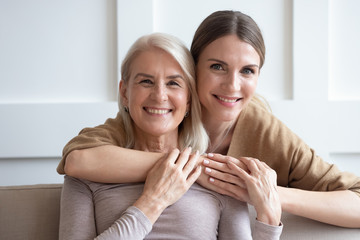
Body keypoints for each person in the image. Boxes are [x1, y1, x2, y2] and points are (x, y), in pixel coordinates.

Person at [57, 10, 360, 228]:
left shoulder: (263, 129)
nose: (232, 85)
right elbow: (78, 161)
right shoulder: (155, 117)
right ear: (193, 70)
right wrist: (187, 166)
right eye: (217, 67)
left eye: (247, 71)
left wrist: (267, 194)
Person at [59, 32, 283, 239]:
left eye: (173, 83)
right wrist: (153, 201)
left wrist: (270, 220)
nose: (159, 95)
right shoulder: (86, 176)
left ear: (188, 99)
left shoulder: (214, 177)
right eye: (146, 81)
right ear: (125, 93)